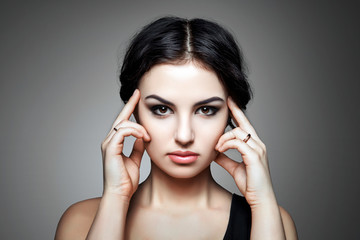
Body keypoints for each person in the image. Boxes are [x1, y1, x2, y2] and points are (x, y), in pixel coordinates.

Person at [55, 16, 298, 239]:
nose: (184, 136)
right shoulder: (81, 222)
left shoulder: (273, 220)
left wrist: (262, 202)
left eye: (206, 110)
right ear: (134, 112)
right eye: (162, 109)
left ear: (230, 116)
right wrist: (116, 197)